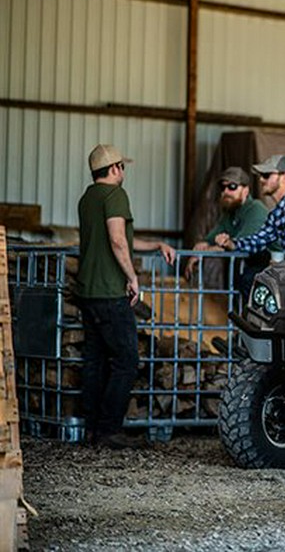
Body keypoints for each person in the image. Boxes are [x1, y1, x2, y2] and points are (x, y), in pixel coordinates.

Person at [74, 144, 176, 449]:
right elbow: (118, 240)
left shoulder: (88, 198)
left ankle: (91, 428)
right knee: (127, 359)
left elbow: (121, 240)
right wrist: (133, 278)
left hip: (88, 291)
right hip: (109, 291)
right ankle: (109, 430)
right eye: (123, 167)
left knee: (95, 359)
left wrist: (156, 243)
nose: (124, 172)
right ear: (115, 168)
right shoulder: (115, 195)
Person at [184, 166, 269, 298]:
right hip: (248, 270)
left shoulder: (256, 209)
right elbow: (210, 239)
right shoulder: (230, 213)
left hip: (271, 267)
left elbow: (239, 246)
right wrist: (198, 250)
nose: (226, 191)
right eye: (223, 188)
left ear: (246, 190)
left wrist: (204, 253)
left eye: (232, 187)